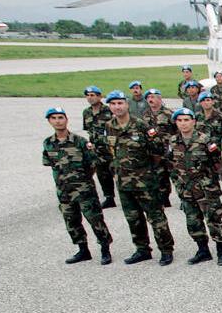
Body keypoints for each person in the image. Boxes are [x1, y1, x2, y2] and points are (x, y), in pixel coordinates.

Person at [105, 90, 173, 265]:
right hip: (123, 182)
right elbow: (109, 152)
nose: (117, 107)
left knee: (156, 217)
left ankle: (166, 250)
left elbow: (157, 151)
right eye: (113, 104)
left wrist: (147, 171)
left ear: (127, 104)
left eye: (120, 103)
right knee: (133, 219)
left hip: (145, 182)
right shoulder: (109, 126)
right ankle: (142, 249)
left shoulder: (142, 125)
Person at [42, 106, 113, 265]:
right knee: (71, 221)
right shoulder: (48, 143)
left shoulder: (80, 142)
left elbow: (93, 164)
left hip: (84, 189)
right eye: (54, 118)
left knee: (95, 219)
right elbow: (50, 164)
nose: (58, 121)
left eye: (60, 117)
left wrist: (83, 180)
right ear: (49, 121)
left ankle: (105, 249)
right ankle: (83, 250)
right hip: (64, 191)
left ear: (66, 120)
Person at [166, 107, 222, 265]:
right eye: (180, 120)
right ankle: (203, 250)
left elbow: (218, 163)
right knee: (193, 222)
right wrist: (178, 183)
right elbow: (171, 165)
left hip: (206, 189)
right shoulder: (173, 141)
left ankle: (221, 250)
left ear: (193, 121)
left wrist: (212, 182)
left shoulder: (205, 140)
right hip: (186, 190)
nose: (183, 123)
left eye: (186, 120)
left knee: (213, 220)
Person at [81, 85, 117, 209]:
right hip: (96, 149)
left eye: (93, 95)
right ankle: (109, 198)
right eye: (88, 95)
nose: (90, 98)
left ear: (99, 96)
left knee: (117, 172)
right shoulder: (86, 112)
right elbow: (88, 130)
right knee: (102, 174)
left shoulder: (109, 110)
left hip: (110, 148)